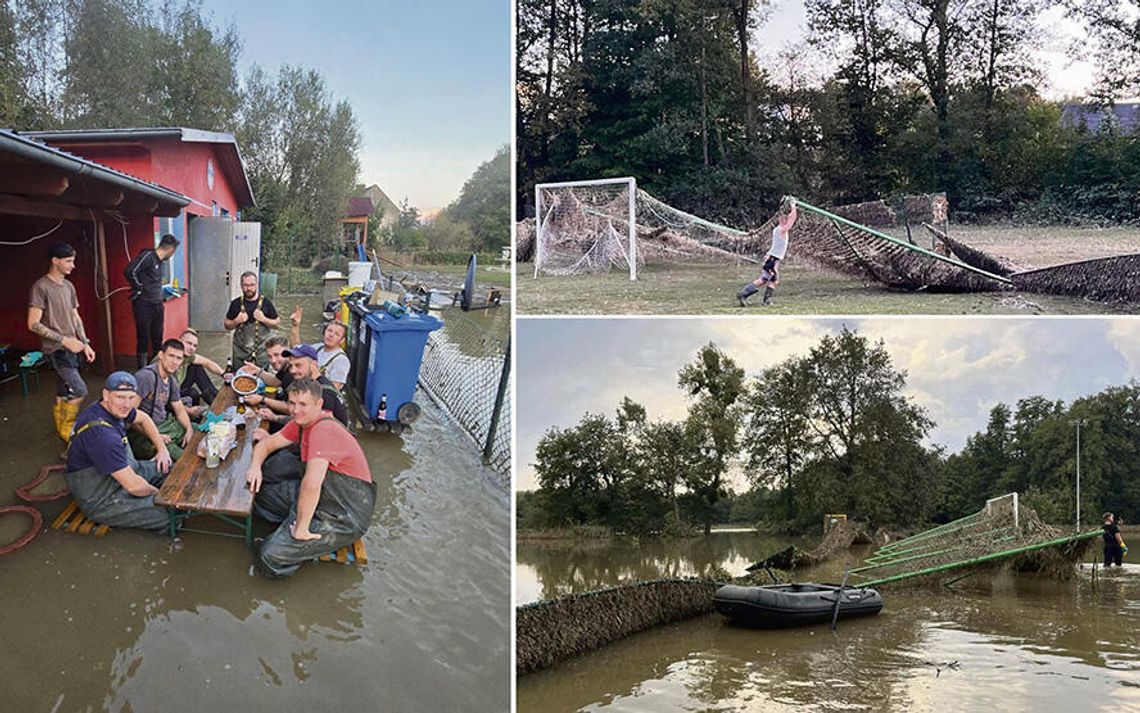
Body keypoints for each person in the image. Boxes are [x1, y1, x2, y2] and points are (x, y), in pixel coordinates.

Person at [245, 378, 376, 578]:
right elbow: (266, 445)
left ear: (319, 404)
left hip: (344, 512)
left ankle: (299, 534)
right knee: (257, 496)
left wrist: (301, 529)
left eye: (303, 404)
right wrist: (255, 468)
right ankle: (293, 524)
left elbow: (312, 483)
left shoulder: (324, 430)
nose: (296, 410)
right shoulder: (300, 423)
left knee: (269, 556)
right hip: (324, 494)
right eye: (292, 403)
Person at [64, 371, 173, 532]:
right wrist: (157, 495)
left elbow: (144, 419)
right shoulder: (102, 435)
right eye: (120, 397)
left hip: (124, 473)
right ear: (106, 395)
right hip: (102, 498)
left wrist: (162, 449)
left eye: (131, 398)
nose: (127, 404)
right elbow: (134, 486)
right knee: (168, 516)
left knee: (171, 470)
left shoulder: (111, 408)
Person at [28, 241, 97, 441]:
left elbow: (76, 317)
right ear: (55, 261)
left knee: (62, 388)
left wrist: (85, 343)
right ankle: (67, 429)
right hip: (56, 349)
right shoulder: (40, 287)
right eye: (68, 261)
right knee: (79, 390)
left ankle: (60, 424)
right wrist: (65, 341)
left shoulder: (68, 285)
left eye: (73, 261)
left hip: (73, 346)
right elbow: (33, 324)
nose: (72, 265)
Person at [244, 343, 349, 440]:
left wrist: (269, 438)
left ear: (313, 364)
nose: (293, 371)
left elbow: (315, 436)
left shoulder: (323, 394)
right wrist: (275, 417)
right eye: (291, 366)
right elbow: (303, 419)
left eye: (298, 365)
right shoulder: (310, 384)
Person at [130, 339, 193, 461]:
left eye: (179, 358)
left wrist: (189, 428)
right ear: (161, 355)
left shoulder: (171, 381)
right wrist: (156, 436)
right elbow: (129, 416)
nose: (174, 362)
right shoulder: (146, 377)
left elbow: (179, 410)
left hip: (166, 424)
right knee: (185, 459)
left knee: (200, 432)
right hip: (144, 433)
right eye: (171, 356)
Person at [124, 233, 179, 368]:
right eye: (173, 252)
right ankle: (142, 369)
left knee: (157, 337)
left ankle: (157, 367)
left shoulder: (160, 262)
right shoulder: (148, 256)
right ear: (170, 249)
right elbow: (130, 271)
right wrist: (139, 287)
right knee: (143, 337)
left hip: (157, 304)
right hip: (144, 305)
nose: (172, 255)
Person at [738, 196, 797, 307]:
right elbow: (792, 220)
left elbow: (789, 219)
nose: (786, 219)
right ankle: (745, 295)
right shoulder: (782, 230)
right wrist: (793, 207)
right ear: (783, 220)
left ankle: (758, 299)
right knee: (769, 280)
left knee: (767, 279)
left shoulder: (778, 229)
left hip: (771, 259)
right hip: (772, 261)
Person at [224, 271, 280, 369]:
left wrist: (264, 319)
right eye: (245, 285)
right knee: (239, 379)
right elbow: (227, 325)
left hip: (261, 352)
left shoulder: (266, 303)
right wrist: (236, 321)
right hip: (240, 352)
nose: (249, 288)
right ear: (241, 285)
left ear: (257, 285)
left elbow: (277, 324)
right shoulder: (235, 304)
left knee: (263, 379)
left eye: (252, 285)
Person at [289, 304, 349, 390]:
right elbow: (297, 349)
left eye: (336, 334)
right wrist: (295, 326)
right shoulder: (318, 347)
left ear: (342, 340)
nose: (331, 335)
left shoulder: (341, 360)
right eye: (329, 330)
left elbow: (334, 389)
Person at [171, 328, 224, 416]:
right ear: (179, 341)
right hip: (167, 396)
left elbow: (207, 362)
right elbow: (164, 397)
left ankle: (216, 401)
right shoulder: (170, 359)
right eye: (188, 343)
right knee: (193, 393)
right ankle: (196, 416)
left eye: (195, 345)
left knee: (196, 367)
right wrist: (188, 410)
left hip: (177, 386)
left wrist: (224, 374)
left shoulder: (187, 356)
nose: (192, 348)